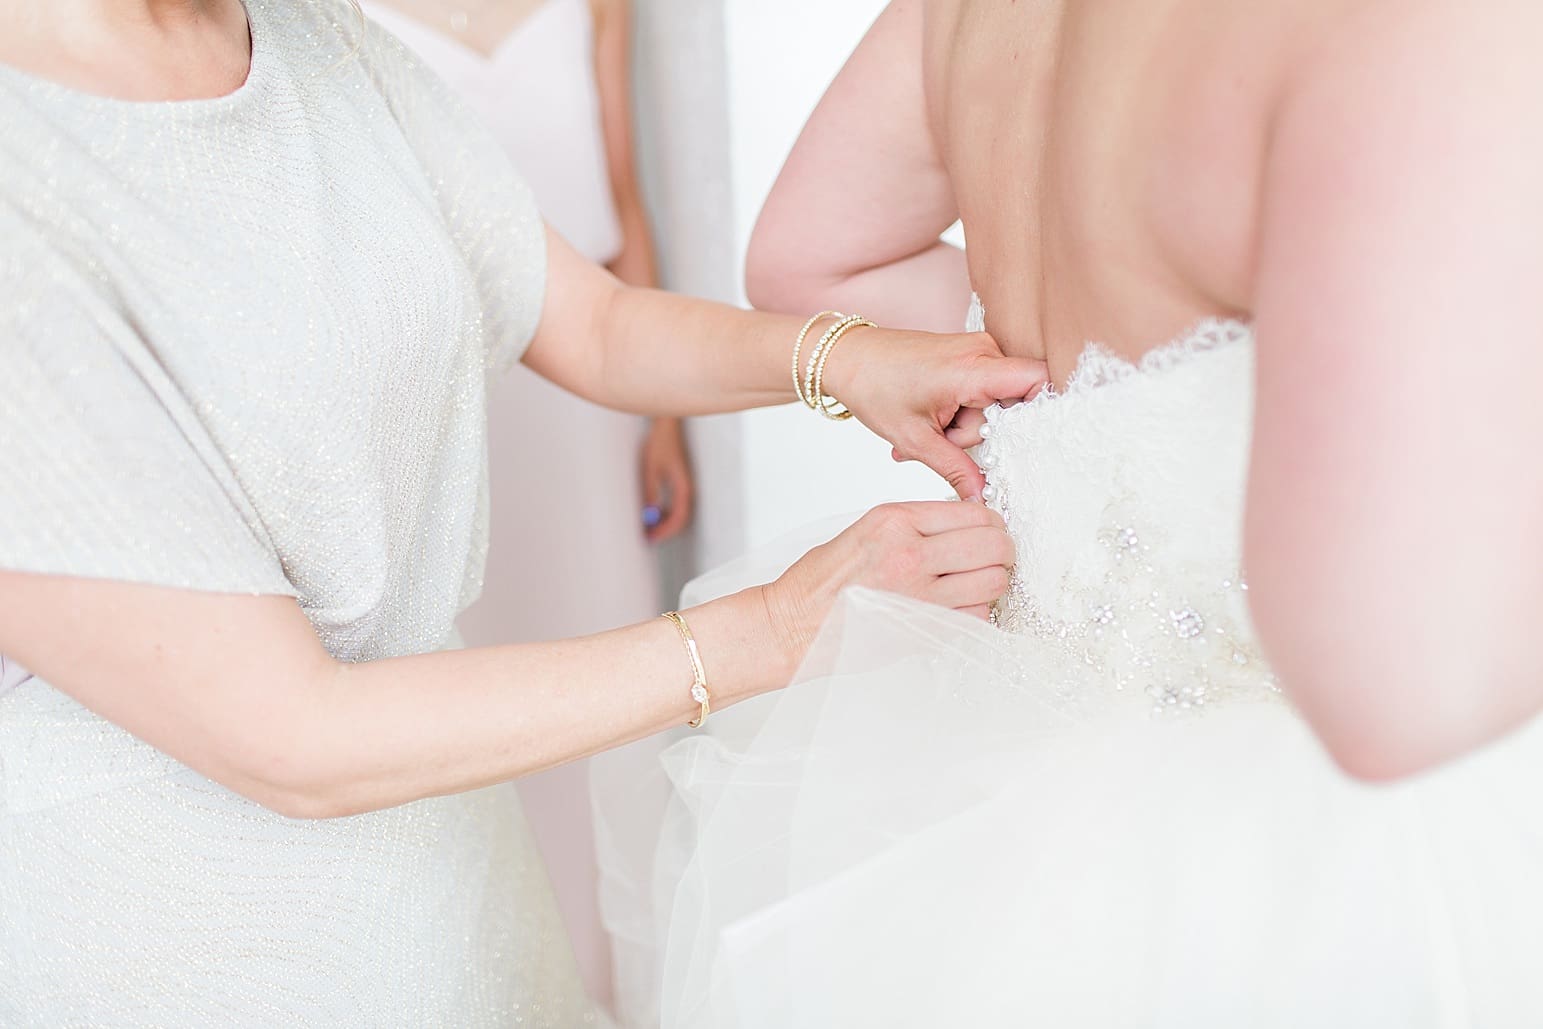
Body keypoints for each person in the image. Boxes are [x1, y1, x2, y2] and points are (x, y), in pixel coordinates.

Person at [0, 0, 1042, 1023]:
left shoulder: (313, 41)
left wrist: (845, 358)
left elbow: (594, 323)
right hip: (181, 948)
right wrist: (772, 628)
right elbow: (290, 738)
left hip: (453, 895)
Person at [650, 1, 1543, 1025]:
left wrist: (1086, 382)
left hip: (1004, 814)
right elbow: (1396, 691)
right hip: (1316, 865)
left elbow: (811, 263)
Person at [357, 0, 684, 1001]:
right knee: (474, 695)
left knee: (620, 694)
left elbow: (623, 205)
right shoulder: (330, 19)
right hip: (449, 406)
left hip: (591, 396)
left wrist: (663, 416)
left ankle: (618, 982)